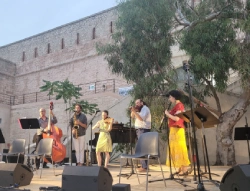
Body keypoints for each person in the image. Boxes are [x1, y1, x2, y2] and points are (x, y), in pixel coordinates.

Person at [164, 90, 190, 176]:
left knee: (180, 148)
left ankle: (185, 169)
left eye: (170, 97)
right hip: (174, 130)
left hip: (178, 130)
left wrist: (167, 114)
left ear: (174, 97)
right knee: (176, 149)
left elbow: (177, 119)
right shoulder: (176, 106)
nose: (169, 98)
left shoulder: (180, 106)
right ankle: (180, 168)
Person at [131, 99, 151, 172]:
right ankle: (144, 166)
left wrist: (134, 111)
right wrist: (133, 111)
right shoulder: (139, 110)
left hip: (143, 129)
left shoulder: (145, 109)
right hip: (139, 130)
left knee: (142, 148)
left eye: (138, 103)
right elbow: (132, 117)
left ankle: (144, 167)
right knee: (141, 148)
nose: (136, 104)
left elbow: (141, 119)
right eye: (135, 103)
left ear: (142, 103)